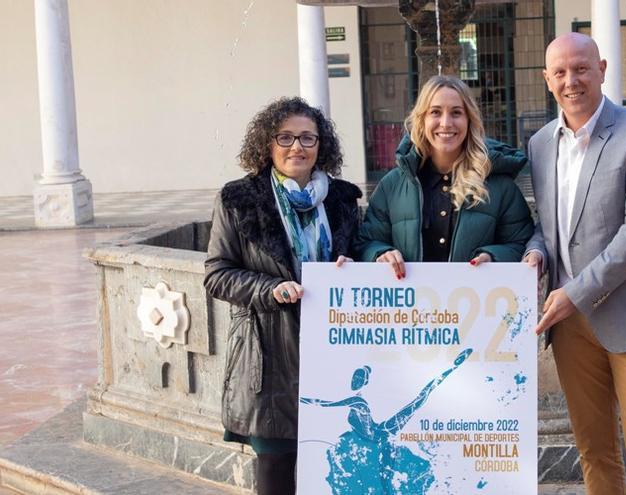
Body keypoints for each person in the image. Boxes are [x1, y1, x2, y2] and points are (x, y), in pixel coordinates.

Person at [524, 33, 626, 495]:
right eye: (559, 72)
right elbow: (549, 223)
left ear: (601, 68)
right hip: (573, 330)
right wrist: (536, 250)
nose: (571, 80)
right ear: (546, 80)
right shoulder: (540, 144)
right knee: (594, 454)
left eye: (580, 68)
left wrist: (574, 293)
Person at [203, 97, 362, 495]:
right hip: (270, 353)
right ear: (267, 144)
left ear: (321, 145)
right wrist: (269, 289)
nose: (297, 147)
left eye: (308, 138)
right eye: (286, 137)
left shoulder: (343, 200)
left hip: (333, 350)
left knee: (331, 465)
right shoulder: (238, 200)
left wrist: (354, 266)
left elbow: (361, 255)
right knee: (275, 467)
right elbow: (217, 274)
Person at [357, 75, 534, 272]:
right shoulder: (392, 185)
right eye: (435, 112)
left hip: (476, 299)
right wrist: (381, 253)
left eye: (456, 113)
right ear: (422, 119)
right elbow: (365, 243)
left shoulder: (500, 186)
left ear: (469, 120)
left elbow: (521, 244)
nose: (446, 123)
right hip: (411, 301)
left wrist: (493, 257)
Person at [299, 349, 472, 494]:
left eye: (360, 378)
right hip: (379, 435)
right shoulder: (358, 401)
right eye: (355, 377)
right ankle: (453, 367)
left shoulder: (358, 402)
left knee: (419, 400)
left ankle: (453, 367)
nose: (356, 380)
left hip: (381, 435)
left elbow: (327, 404)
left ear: (365, 381)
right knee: (385, 482)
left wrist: (300, 398)